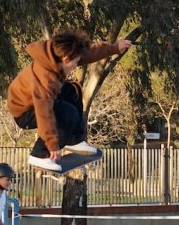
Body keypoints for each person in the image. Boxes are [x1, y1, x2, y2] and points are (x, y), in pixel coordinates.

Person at [7, 30, 133, 171]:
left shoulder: (56, 54)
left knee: (73, 91)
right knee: (68, 112)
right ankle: (39, 155)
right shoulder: (45, 77)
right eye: (75, 63)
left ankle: (74, 140)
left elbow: (86, 54)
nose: (76, 66)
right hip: (25, 112)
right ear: (66, 59)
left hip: (36, 101)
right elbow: (44, 113)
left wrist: (114, 48)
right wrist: (52, 144)